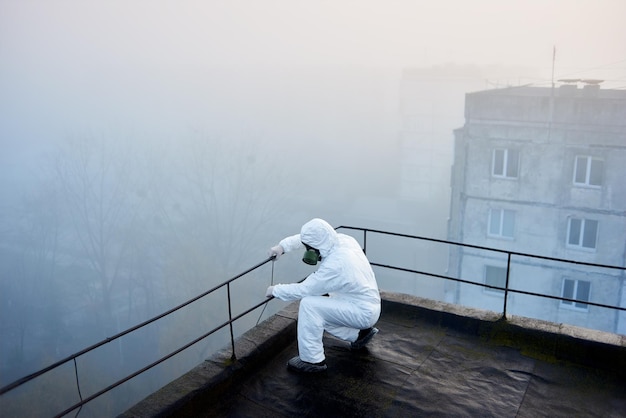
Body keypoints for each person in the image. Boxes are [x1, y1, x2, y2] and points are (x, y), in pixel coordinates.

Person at [266, 218, 381, 373]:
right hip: (364, 304)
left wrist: (275, 290)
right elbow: (307, 238)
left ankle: (312, 361)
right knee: (320, 313)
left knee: (309, 306)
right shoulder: (343, 240)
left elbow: (304, 289)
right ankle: (359, 335)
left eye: (310, 248)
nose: (308, 251)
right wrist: (282, 247)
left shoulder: (335, 265)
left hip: (361, 312)